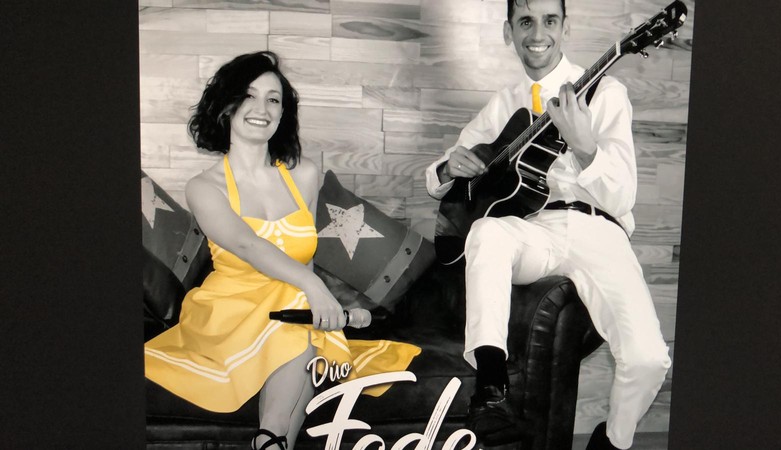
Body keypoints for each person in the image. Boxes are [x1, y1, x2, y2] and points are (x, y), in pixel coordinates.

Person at [425, 1, 672, 449]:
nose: (537, 34)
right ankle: (491, 391)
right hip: (534, 228)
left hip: (598, 230)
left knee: (649, 359)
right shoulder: (504, 103)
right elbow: (441, 172)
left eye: (549, 20)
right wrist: (447, 168)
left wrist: (585, 148)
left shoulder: (605, 92)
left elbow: (622, 198)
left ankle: (612, 441)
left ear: (565, 27)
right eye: (526, 22)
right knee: (486, 232)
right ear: (509, 32)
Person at [144, 51, 420, 450]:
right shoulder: (203, 187)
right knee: (298, 305)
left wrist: (312, 292)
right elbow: (246, 244)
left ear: (283, 112)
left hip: (292, 306)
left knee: (297, 316)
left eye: (273, 99)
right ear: (226, 106)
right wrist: (314, 288)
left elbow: (306, 257)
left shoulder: (304, 175)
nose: (262, 108)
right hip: (231, 312)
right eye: (249, 95)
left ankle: (271, 440)